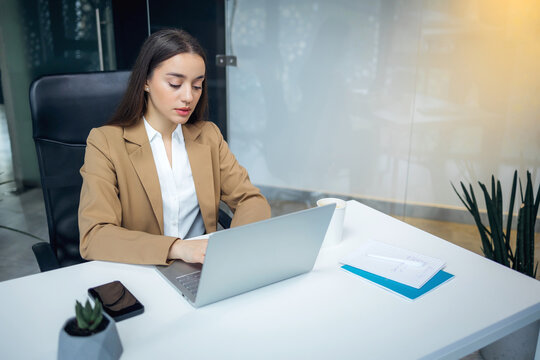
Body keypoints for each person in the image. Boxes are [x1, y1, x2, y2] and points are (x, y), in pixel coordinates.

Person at [78, 29, 271, 265]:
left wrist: (232, 247)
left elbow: (251, 200)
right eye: (175, 83)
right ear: (146, 81)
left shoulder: (208, 137)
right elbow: (94, 236)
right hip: (143, 269)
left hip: (203, 268)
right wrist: (178, 248)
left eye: (197, 86)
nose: (188, 96)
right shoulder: (105, 143)